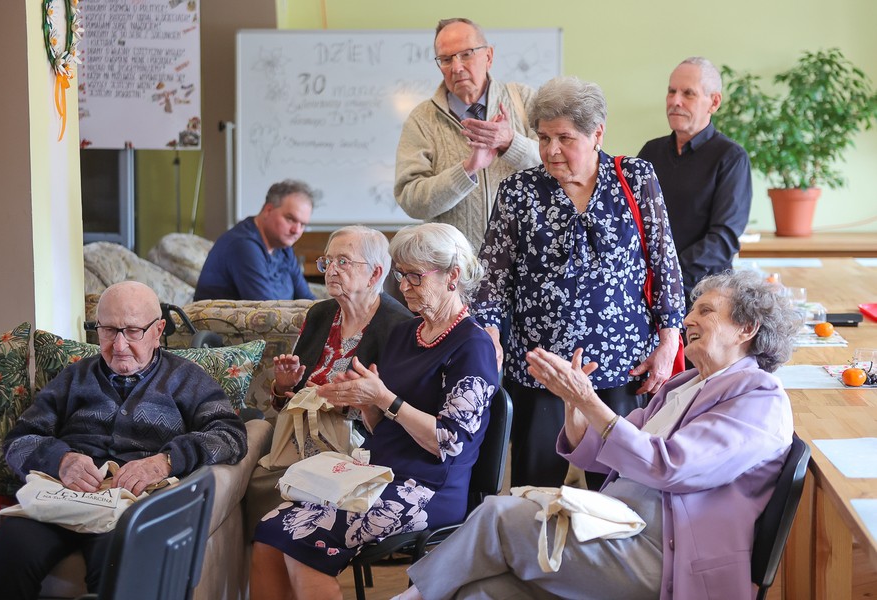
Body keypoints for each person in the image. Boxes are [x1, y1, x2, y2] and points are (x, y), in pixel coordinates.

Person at [397, 269, 799, 600]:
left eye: (706, 311)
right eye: (691, 310)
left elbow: (669, 465)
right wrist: (576, 415)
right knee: (482, 593)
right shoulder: (686, 384)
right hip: (611, 532)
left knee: (500, 515)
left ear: (746, 328)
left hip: (664, 558)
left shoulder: (759, 399)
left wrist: (591, 402)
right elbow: (612, 450)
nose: (688, 320)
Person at [250, 223, 497, 600]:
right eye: (400, 275)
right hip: (379, 473)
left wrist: (385, 400)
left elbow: (449, 443)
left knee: (302, 538)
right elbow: (381, 423)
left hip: (428, 487)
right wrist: (365, 403)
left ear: (453, 276)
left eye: (415, 275)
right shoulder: (406, 334)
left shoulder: (472, 345)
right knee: (269, 530)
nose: (403, 286)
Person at [474, 76, 685, 488]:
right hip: (540, 367)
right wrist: (490, 333)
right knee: (536, 486)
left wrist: (670, 340)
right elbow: (492, 275)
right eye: (543, 137)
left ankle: (612, 555)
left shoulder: (637, 178)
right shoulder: (519, 190)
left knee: (620, 488)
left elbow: (665, 263)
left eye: (565, 138)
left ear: (597, 134)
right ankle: (533, 553)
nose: (552, 150)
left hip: (621, 363)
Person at [0, 281, 248, 600]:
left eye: (132, 331)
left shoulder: (188, 379)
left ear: (158, 330)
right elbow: (19, 440)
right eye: (108, 331)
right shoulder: (75, 377)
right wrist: (61, 460)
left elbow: (230, 434)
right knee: (10, 550)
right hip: (62, 499)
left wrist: (166, 461)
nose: (119, 345)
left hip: (129, 508)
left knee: (121, 562)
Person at [244, 225, 412, 529]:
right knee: (252, 483)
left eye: (343, 262)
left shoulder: (400, 327)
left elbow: (399, 414)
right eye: (328, 262)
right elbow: (291, 402)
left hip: (357, 451)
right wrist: (285, 386)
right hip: (299, 442)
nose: (331, 270)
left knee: (272, 493)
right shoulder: (320, 314)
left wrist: (348, 404)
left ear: (374, 275)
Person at [394, 17, 540, 251]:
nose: (457, 67)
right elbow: (411, 200)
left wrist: (510, 142)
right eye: (446, 59)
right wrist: (466, 170)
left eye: (466, 54)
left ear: (489, 56)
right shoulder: (421, 119)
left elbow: (557, 167)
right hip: (452, 269)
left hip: (524, 262)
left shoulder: (524, 100)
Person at [638, 57, 753, 308]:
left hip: (703, 296)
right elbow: (631, 221)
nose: (675, 101)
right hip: (647, 291)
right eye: (671, 91)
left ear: (714, 102)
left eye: (688, 93)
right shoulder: (650, 153)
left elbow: (723, 240)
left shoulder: (731, 158)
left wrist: (669, 271)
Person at [194, 179, 319, 301]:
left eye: (302, 225)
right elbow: (266, 313)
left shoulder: (283, 247)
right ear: (268, 210)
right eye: (290, 219)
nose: (296, 230)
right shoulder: (243, 245)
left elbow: (307, 299)